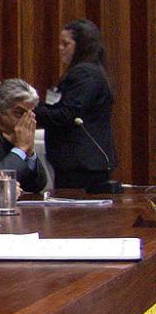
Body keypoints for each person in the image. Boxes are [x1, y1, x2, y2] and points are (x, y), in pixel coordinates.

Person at [34, 19, 116, 189]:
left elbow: (67, 114)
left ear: (82, 46)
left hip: (81, 165)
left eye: (66, 44)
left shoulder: (84, 73)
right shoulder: (89, 71)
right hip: (83, 163)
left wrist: (30, 110)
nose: (60, 48)